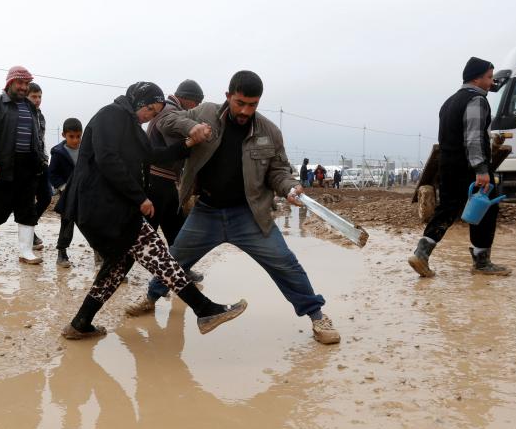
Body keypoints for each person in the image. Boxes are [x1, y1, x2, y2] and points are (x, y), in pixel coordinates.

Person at [124, 71, 341, 345]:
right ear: (228, 96)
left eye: (252, 105)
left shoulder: (269, 132)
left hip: (249, 216)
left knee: (285, 263)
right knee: (175, 259)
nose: (245, 110)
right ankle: (151, 297)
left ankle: (317, 315)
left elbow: (279, 171)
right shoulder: (205, 112)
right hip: (207, 211)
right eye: (240, 103)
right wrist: (191, 129)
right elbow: (164, 120)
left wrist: (289, 187)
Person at [61, 81, 246, 340]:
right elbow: (107, 159)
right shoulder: (111, 115)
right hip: (104, 207)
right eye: (149, 109)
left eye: (155, 111)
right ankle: (205, 310)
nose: (150, 116)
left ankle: (80, 323)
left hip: (112, 207)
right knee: (161, 258)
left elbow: (152, 155)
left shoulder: (130, 126)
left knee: (117, 268)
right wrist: (139, 198)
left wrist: (188, 143)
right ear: (138, 103)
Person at [408, 57, 511, 277]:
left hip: (448, 165)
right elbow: (473, 138)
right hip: (468, 167)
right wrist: (482, 170)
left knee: (447, 209)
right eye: (489, 77)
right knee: (486, 209)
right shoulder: (477, 101)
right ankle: (482, 263)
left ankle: (421, 254)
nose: (492, 82)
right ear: (477, 78)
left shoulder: (449, 102)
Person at [0, 66, 46, 265]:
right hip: (3, 164)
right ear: (10, 83)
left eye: (26, 84)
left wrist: (41, 158)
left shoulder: (30, 106)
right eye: (20, 83)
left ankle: (26, 251)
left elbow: (38, 136)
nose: (24, 87)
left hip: (28, 165)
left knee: (27, 209)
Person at [145, 79, 205, 247]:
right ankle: (116, 271)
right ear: (187, 98)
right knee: (146, 235)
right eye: (196, 102)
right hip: (158, 178)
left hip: (163, 179)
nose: (197, 106)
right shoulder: (171, 111)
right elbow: (177, 148)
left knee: (175, 230)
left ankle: (181, 270)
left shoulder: (169, 109)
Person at [49, 118, 82, 268]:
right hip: (68, 195)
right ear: (64, 135)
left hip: (86, 194)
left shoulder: (87, 150)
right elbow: (52, 173)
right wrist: (63, 187)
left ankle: (99, 252)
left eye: (78, 136)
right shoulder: (58, 153)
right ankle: (62, 252)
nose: (75, 140)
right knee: (67, 222)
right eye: (72, 136)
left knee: (92, 223)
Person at [28, 82, 51, 250]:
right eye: (33, 97)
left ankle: (29, 227)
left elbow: (41, 139)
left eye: (39, 97)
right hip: (26, 163)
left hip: (41, 162)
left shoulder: (40, 116)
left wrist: (45, 158)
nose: (37, 100)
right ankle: (28, 234)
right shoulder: (20, 114)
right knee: (27, 200)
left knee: (46, 197)